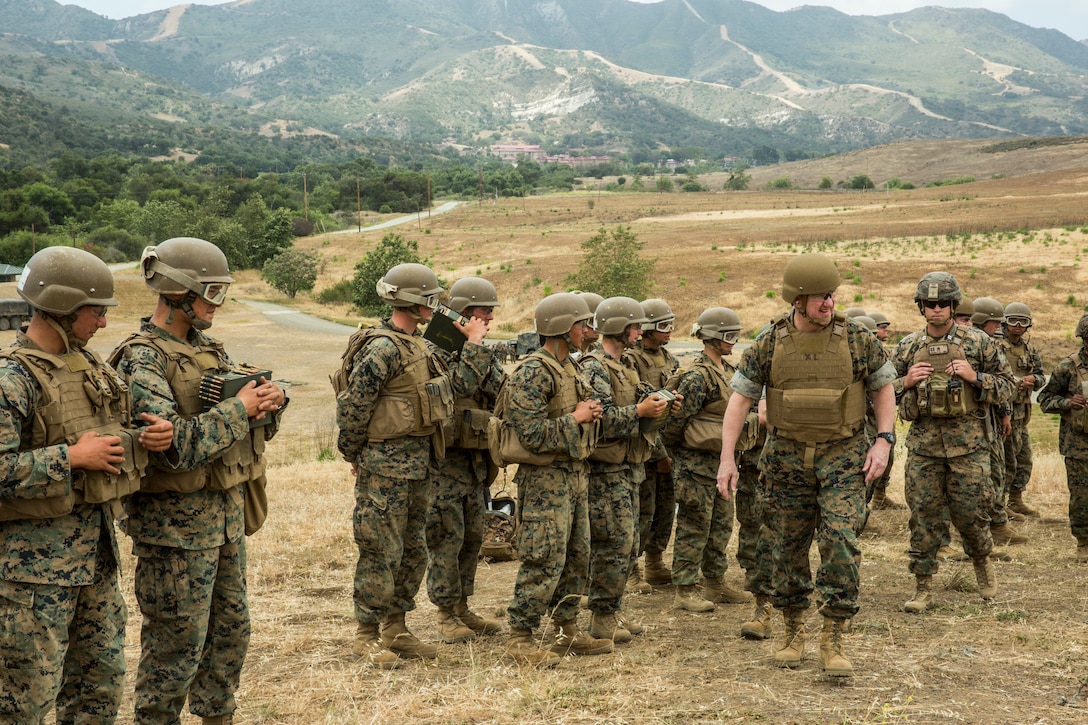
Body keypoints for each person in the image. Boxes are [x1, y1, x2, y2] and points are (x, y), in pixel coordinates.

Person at [111, 237, 286, 725]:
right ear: (175, 291)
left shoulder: (209, 350)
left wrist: (269, 403)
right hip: (174, 531)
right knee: (176, 645)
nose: (217, 304)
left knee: (231, 632)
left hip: (225, 518)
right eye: (210, 291)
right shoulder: (142, 359)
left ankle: (217, 716)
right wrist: (240, 408)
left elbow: (242, 425)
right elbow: (171, 450)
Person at [0, 247, 173, 722]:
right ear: (60, 309)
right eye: (95, 312)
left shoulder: (90, 366)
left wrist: (146, 436)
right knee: (24, 699)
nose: (101, 323)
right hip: (30, 575)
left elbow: (109, 431)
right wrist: (71, 458)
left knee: (98, 687)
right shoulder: (11, 379)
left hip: (94, 558)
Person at [717, 253, 896, 678]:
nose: (828, 304)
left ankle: (833, 636)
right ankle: (792, 630)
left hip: (844, 456)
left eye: (831, 296)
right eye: (819, 298)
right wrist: (727, 458)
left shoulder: (857, 339)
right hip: (785, 460)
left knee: (841, 542)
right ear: (797, 300)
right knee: (785, 548)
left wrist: (884, 441)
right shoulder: (768, 342)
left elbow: (883, 390)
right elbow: (739, 401)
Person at [334, 262, 488, 669]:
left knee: (413, 550)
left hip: (421, 467)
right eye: (430, 299)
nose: (436, 306)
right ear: (413, 301)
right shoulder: (383, 347)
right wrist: (356, 455)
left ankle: (396, 628)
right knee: (379, 550)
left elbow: (457, 390)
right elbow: (354, 406)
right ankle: (366, 634)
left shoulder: (417, 346)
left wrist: (472, 345)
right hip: (385, 469)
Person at [892, 274, 1014, 616]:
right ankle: (923, 585)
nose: (936, 310)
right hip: (924, 449)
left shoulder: (979, 344)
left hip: (970, 448)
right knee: (924, 517)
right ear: (921, 307)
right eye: (929, 304)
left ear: (953, 305)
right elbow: (881, 391)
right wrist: (905, 380)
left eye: (943, 303)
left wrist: (975, 377)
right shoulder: (907, 347)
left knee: (972, 513)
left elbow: (1009, 386)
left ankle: (982, 565)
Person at [500, 292, 611, 666]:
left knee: (577, 558)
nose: (588, 331)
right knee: (543, 558)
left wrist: (590, 412)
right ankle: (520, 637)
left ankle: (566, 629)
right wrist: (576, 419)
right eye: (582, 324)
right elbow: (530, 435)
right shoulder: (533, 371)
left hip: (574, 476)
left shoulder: (570, 368)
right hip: (545, 481)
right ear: (561, 328)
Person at [579, 296, 669, 641]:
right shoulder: (594, 367)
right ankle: (602, 618)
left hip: (630, 468)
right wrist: (640, 413)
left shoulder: (624, 366)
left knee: (628, 543)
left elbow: (641, 401)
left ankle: (612, 608)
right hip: (606, 471)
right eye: (633, 326)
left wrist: (663, 403)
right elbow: (599, 421)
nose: (639, 331)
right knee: (612, 544)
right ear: (617, 328)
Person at [425, 277, 505, 643]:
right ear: (464, 311)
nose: (489, 317)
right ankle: (444, 613)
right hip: (444, 461)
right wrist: (472, 345)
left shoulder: (476, 346)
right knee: (447, 536)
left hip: (473, 460)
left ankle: (462, 607)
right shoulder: (438, 344)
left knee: (473, 535)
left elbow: (499, 388)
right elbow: (456, 388)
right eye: (484, 311)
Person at [663, 307, 752, 613]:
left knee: (721, 525)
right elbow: (675, 424)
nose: (733, 341)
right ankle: (685, 589)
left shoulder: (728, 372)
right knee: (693, 526)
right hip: (695, 465)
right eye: (728, 335)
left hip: (722, 463)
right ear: (711, 337)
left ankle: (715, 583)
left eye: (735, 335)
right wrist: (674, 457)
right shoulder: (698, 376)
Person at [624, 298, 680, 590]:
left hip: (666, 443)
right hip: (643, 446)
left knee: (665, 507)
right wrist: (658, 452)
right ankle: (632, 567)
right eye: (663, 326)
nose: (669, 331)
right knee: (641, 509)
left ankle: (654, 562)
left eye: (671, 324)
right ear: (646, 329)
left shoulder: (670, 359)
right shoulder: (630, 359)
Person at [970, 297, 1027, 546]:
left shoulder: (989, 346)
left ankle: (998, 523)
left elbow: (1002, 384)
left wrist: (1005, 413)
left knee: (998, 470)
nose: (999, 327)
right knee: (986, 474)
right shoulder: (973, 345)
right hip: (974, 421)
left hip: (992, 418)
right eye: (995, 322)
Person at [1036, 313, 1088, 563]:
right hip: (1078, 444)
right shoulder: (1067, 367)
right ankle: (1084, 543)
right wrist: (1068, 402)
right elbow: (1044, 400)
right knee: (1081, 496)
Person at [1001, 302, 1045, 519]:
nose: (1017, 326)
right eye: (1013, 321)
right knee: (1006, 459)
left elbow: (1041, 376)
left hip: (1022, 412)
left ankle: (1015, 500)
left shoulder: (1030, 349)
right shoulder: (995, 346)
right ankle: (1000, 504)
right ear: (1004, 322)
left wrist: (1032, 380)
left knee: (1024, 458)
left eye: (1023, 322)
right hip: (1003, 412)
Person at [865, 311, 904, 510]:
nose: (885, 330)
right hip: (864, 420)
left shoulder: (882, 354)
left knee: (887, 458)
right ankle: (862, 506)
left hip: (880, 417)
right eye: (881, 327)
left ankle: (880, 497)